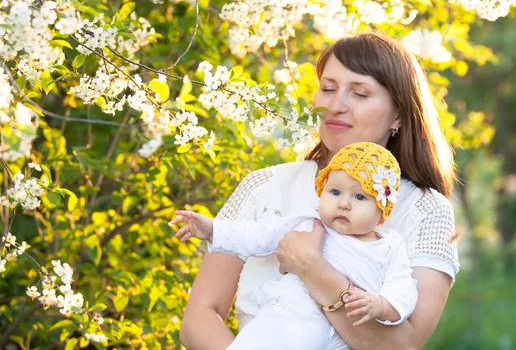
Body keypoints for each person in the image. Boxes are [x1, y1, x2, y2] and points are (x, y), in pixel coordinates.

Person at [177, 31, 460, 350]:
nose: (336, 105)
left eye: (360, 94)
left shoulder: (425, 210)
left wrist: (314, 270)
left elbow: (405, 345)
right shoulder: (264, 186)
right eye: (328, 88)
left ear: (397, 115)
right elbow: (199, 317)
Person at [173, 142, 418, 349]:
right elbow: (258, 236)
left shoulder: (389, 246)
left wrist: (383, 305)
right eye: (334, 192)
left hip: (342, 337)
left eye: (359, 196)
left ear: (382, 208)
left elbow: (403, 286)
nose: (344, 203)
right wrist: (213, 230)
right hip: (289, 318)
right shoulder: (310, 223)